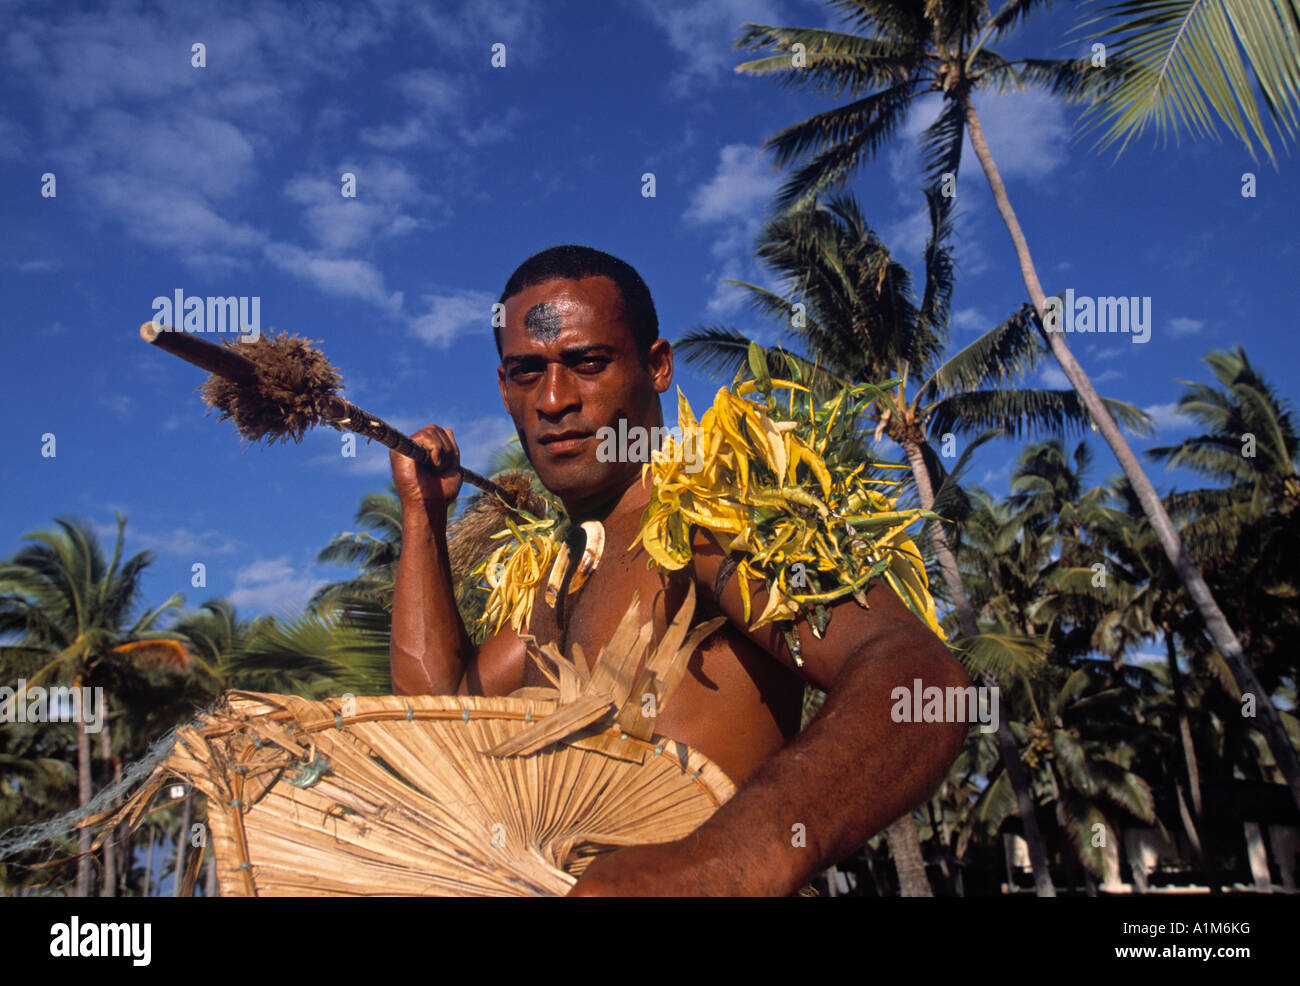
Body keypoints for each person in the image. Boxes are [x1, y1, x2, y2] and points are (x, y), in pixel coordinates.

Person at [389, 244, 970, 896]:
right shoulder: (550, 579)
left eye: (586, 363)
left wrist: (726, 862)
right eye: (527, 372)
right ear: (504, 387)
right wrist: (422, 515)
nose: (553, 399)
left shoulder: (709, 512)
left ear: (657, 366)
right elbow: (438, 715)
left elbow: (918, 679)